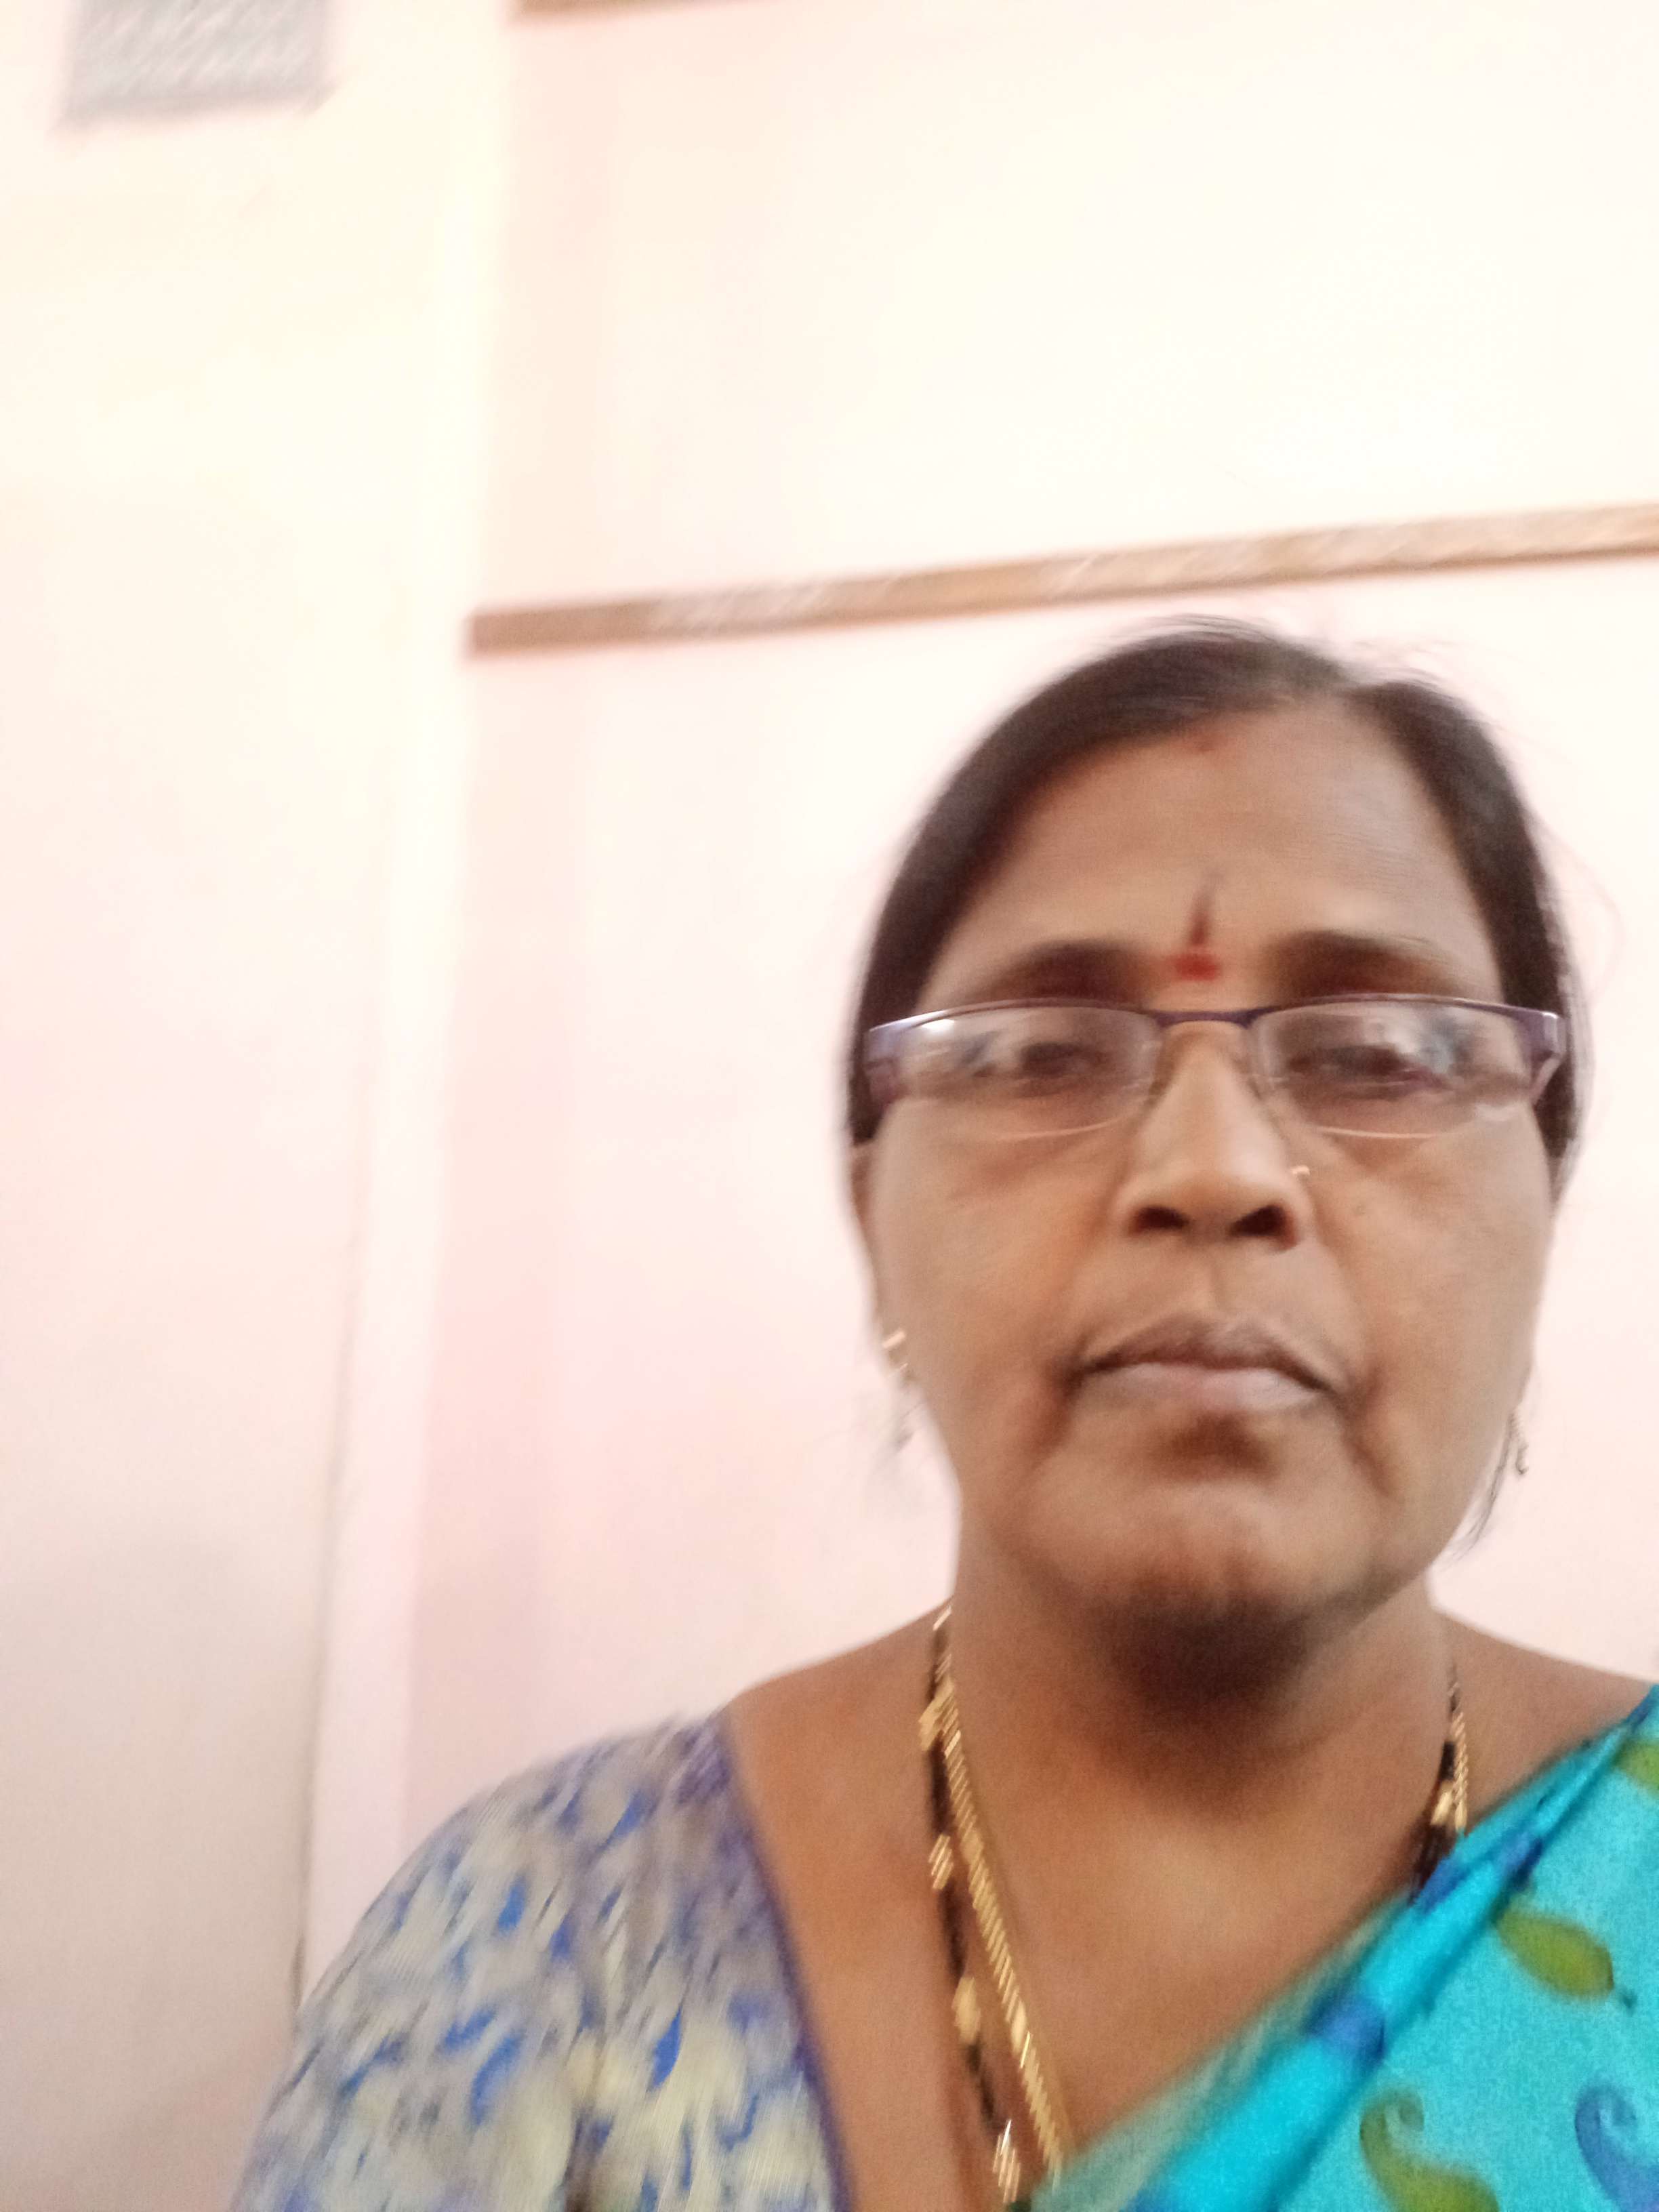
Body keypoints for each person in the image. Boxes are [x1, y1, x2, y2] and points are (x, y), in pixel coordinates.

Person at [235, 622, 1658, 2212]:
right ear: (872, 1220)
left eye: (1384, 1056)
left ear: (1545, 1209)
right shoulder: (546, 1951)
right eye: (1040, 1055)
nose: (1213, 1168)